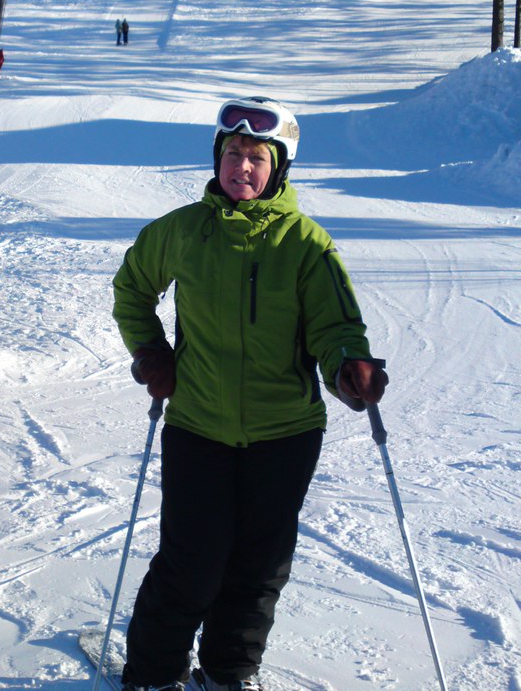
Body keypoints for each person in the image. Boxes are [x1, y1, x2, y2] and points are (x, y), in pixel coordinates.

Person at [112, 96, 388, 691]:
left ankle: (227, 672)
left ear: (278, 168)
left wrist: (348, 368)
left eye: (257, 157)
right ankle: (153, 676)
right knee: (192, 562)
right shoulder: (183, 231)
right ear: (218, 157)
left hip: (284, 432)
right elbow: (132, 288)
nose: (242, 165)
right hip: (198, 425)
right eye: (233, 153)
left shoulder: (306, 243)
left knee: (259, 567)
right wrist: (151, 353)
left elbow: (336, 326)